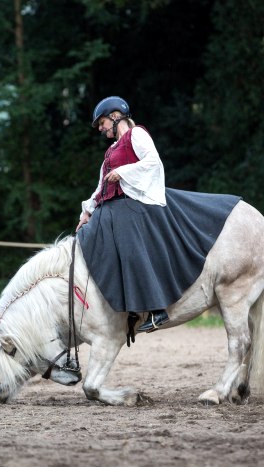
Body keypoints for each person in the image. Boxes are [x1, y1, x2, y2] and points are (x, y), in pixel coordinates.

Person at [76, 96, 169, 333]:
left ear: (116, 116)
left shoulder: (136, 134)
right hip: (111, 207)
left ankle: (158, 310)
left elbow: (153, 162)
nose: (100, 129)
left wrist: (123, 172)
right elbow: (101, 187)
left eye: (102, 123)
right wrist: (86, 212)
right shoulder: (110, 151)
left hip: (131, 206)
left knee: (129, 249)